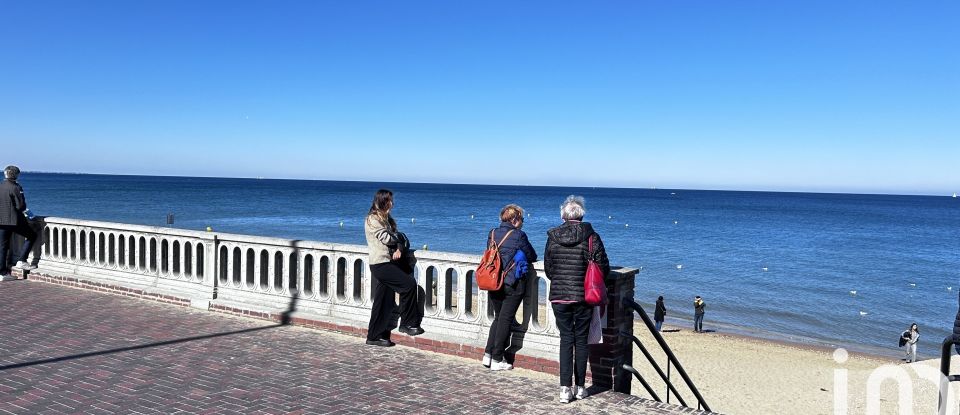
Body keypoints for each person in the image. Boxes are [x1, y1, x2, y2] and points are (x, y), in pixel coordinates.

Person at [544, 195, 609, 403]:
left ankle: (565, 389)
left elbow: (549, 269)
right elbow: (603, 268)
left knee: (566, 340)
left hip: (560, 296)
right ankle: (580, 388)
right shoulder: (592, 237)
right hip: (583, 297)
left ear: (563, 215)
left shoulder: (553, 237)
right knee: (581, 341)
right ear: (581, 215)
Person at [363, 189, 424, 347]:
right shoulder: (372, 219)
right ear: (382, 201)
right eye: (389, 200)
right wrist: (398, 240)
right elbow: (388, 238)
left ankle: (374, 336)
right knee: (409, 285)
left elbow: (396, 239)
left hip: (388, 263)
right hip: (380, 264)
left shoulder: (386, 219)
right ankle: (408, 323)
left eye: (392, 200)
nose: (392, 203)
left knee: (383, 302)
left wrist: (399, 246)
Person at [483, 204, 537, 371]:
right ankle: (498, 359)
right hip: (511, 283)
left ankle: (488, 354)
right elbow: (532, 255)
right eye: (521, 219)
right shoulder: (519, 235)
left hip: (493, 281)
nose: (522, 222)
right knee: (505, 319)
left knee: (499, 318)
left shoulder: (492, 233)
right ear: (514, 219)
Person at [1, 165, 38, 280]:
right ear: (16, 175)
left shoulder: (1, 186)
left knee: (2, 246)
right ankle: (22, 260)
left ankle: (2, 273)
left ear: (5, 174)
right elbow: (21, 206)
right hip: (13, 221)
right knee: (32, 235)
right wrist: (30, 215)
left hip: (1, 221)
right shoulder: (16, 187)